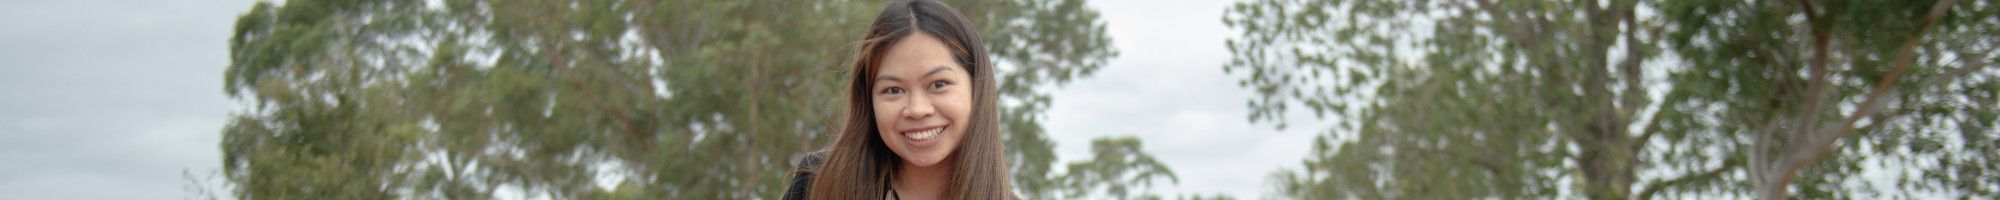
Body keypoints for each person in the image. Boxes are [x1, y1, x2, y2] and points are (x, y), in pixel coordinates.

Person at [781, 0, 1015, 199]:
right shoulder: (818, 183)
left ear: (977, 88)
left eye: (938, 84)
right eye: (894, 90)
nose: (917, 109)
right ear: (869, 100)